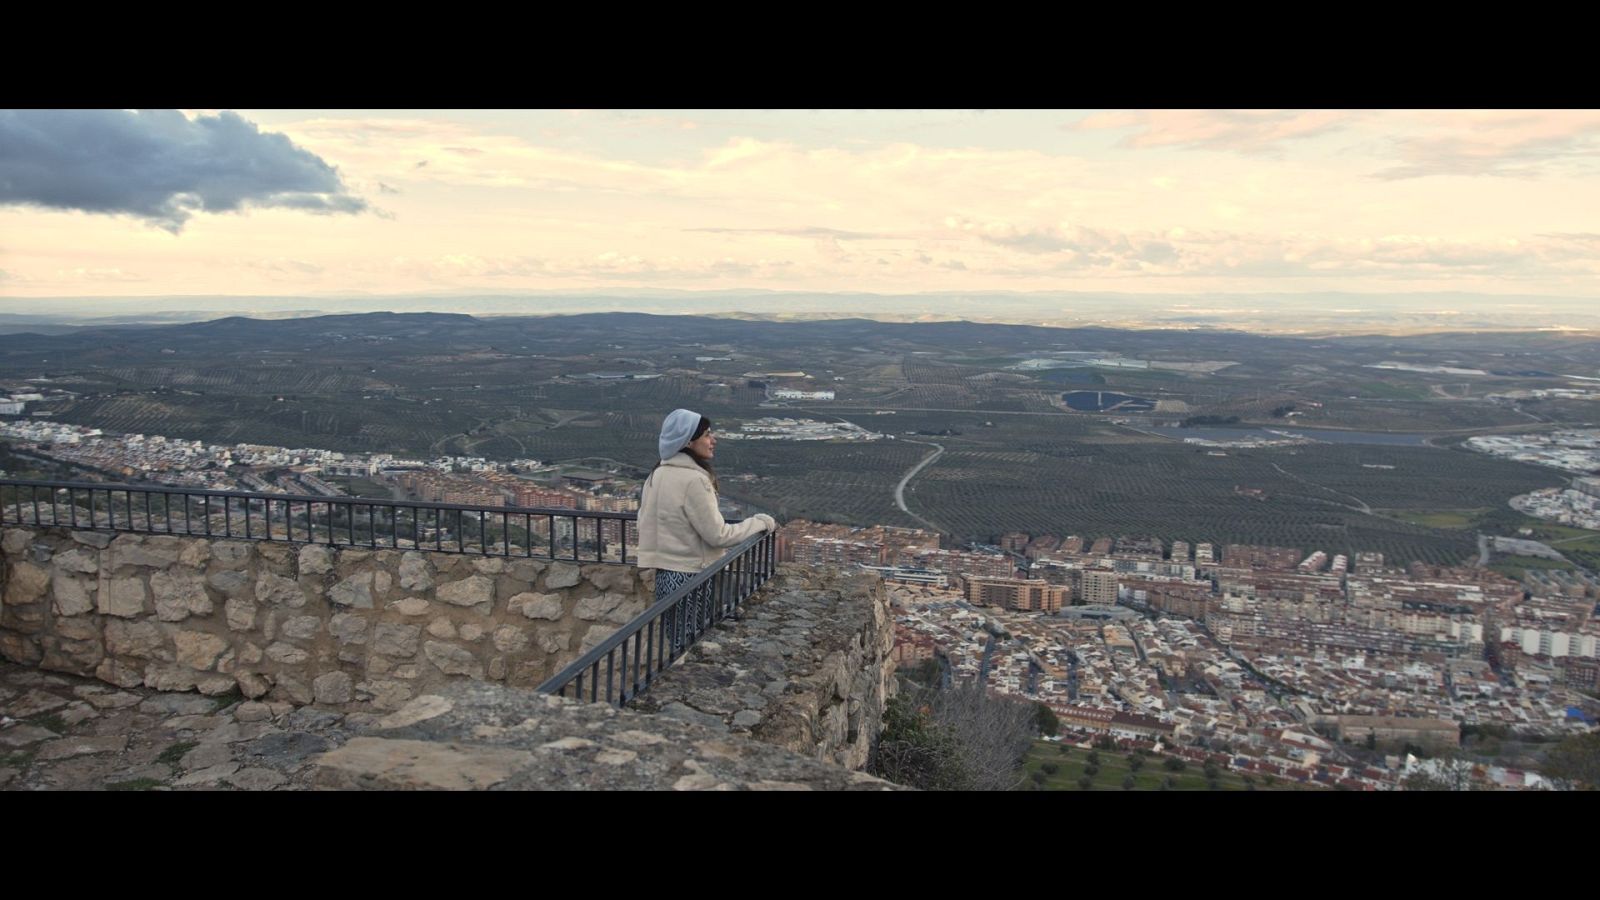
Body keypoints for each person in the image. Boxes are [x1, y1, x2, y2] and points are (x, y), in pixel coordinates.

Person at [637, 408, 776, 657]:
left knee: (677, 648)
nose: (714, 440)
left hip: (665, 575)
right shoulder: (694, 481)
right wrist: (760, 522)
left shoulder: (657, 474)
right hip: (692, 576)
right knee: (693, 650)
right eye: (707, 434)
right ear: (689, 441)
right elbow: (718, 535)